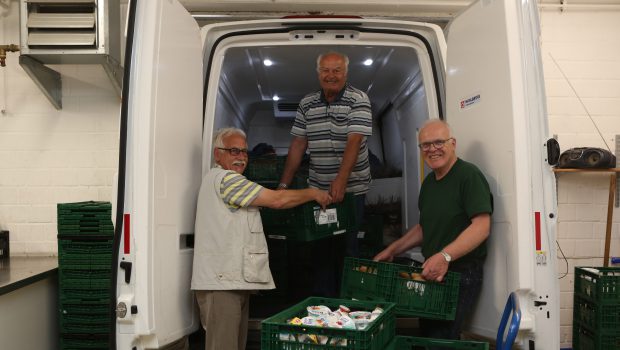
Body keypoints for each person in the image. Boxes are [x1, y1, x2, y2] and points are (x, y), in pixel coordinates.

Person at [191, 128, 331, 350]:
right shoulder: (226, 180)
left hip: (231, 281)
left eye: (245, 152)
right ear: (218, 154)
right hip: (221, 285)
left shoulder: (225, 179)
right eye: (234, 151)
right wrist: (313, 193)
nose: (241, 157)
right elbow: (277, 200)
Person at [374, 119, 493, 340]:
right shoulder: (429, 183)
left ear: (453, 143)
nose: (432, 149)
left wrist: (445, 256)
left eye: (439, 142)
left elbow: (482, 226)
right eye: (425, 145)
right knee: (428, 336)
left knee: (442, 339)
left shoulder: (468, 175)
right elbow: (423, 228)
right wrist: (393, 249)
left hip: (460, 272)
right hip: (433, 270)